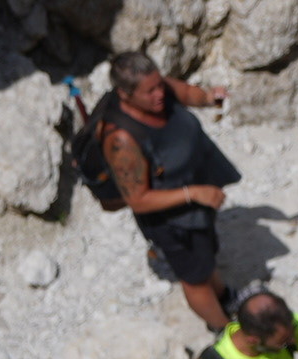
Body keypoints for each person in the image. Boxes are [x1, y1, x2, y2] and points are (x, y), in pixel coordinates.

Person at [95, 52, 242, 330]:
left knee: (206, 252)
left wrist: (208, 98)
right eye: (149, 91)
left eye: (159, 84)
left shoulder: (158, 89)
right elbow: (137, 199)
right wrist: (193, 194)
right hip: (172, 220)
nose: (159, 93)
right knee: (194, 277)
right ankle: (224, 329)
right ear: (125, 95)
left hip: (194, 194)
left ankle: (224, 295)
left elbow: (185, 91)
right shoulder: (122, 140)